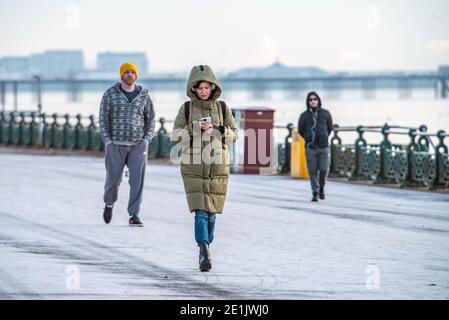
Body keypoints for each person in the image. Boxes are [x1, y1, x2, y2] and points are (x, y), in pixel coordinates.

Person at [171, 65, 238, 272]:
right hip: (193, 166)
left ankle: (207, 243)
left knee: (211, 214)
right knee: (200, 212)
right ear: (193, 88)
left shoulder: (223, 108)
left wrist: (218, 128)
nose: (203, 91)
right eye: (199, 87)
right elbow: (175, 136)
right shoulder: (187, 109)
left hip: (218, 166)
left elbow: (235, 135)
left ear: (213, 88)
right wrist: (193, 129)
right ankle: (203, 249)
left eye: (206, 87)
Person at [99, 62, 155, 226]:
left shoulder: (144, 95)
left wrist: (146, 140)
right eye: (127, 72)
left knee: (137, 181)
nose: (130, 75)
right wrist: (108, 141)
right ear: (121, 75)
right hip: (115, 145)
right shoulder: (110, 94)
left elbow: (150, 119)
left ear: (136, 75)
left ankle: (134, 215)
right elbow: (103, 119)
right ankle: (109, 203)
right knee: (113, 181)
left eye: (133, 72)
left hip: (138, 145)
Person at [298, 91, 333, 202]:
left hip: (324, 147)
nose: (313, 101)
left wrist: (324, 136)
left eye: (315, 99)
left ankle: (321, 186)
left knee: (323, 169)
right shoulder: (304, 116)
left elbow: (330, 128)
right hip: (310, 148)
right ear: (308, 102)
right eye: (310, 100)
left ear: (318, 100)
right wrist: (309, 138)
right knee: (312, 171)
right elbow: (301, 130)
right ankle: (315, 192)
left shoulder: (326, 113)